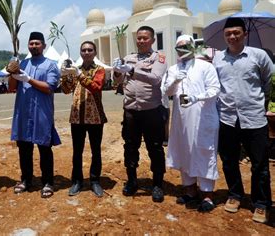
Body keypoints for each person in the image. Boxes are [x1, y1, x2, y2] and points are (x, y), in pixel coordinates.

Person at [213, 17, 274, 224]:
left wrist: (262, 104)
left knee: (260, 165)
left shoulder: (259, 56)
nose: (232, 36)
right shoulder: (218, 59)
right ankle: (235, 194)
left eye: (236, 33)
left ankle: (261, 204)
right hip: (227, 118)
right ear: (224, 35)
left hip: (254, 118)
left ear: (244, 34)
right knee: (229, 161)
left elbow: (269, 82)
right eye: (228, 33)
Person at [161, 35, 220, 212]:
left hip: (203, 118)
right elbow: (166, 92)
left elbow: (215, 89)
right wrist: (175, 80)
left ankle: (207, 195)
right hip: (182, 120)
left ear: (193, 47)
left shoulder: (206, 66)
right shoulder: (173, 69)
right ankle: (190, 192)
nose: (182, 49)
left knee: (204, 152)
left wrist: (197, 97)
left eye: (186, 45)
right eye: (178, 47)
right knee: (184, 151)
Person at [113, 25, 168, 202]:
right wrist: (117, 71)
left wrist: (132, 71)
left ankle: (158, 184)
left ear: (152, 40)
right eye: (139, 38)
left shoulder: (159, 58)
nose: (141, 41)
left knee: (155, 148)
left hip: (151, 110)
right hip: (131, 111)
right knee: (130, 146)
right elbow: (118, 81)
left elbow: (156, 79)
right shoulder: (129, 58)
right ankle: (131, 181)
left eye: (145, 38)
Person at [8, 31, 61, 198]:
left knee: (44, 148)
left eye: (37, 43)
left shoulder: (51, 65)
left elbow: (49, 87)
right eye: (31, 43)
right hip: (23, 112)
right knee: (24, 148)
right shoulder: (22, 63)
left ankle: (47, 181)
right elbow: (11, 87)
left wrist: (29, 79)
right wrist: (12, 71)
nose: (34, 46)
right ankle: (26, 179)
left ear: (44, 46)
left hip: (42, 113)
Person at [60, 41, 107, 197]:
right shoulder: (74, 70)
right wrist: (65, 77)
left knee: (95, 150)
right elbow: (66, 91)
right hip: (77, 116)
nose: (86, 52)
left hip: (94, 116)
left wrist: (79, 75)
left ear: (94, 52)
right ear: (80, 52)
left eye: (90, 50)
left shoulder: (99, 70)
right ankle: (77, 181)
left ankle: (95, 181)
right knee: (77, 151)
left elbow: (96, 87)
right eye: (84, 50)